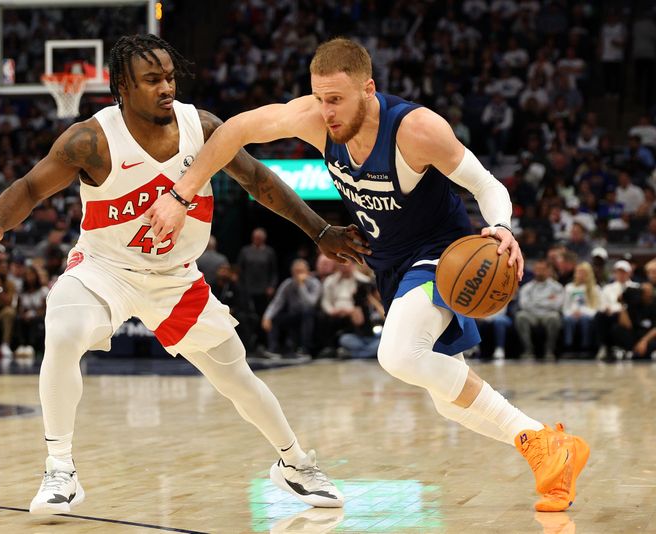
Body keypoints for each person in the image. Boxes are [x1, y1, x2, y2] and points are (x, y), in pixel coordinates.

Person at [147, 37, 589, 512]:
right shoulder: (318, 120)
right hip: (390, 267)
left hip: (442, 254)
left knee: (398, 354)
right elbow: (234, 131)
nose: (326, 111)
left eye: (335, 99)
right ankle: (554, 452)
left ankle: (542, 442)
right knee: (448, 396)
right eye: (318, 98)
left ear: (369, 89)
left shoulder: (415, 129)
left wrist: (501, 226)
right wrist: (180, 194)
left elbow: (486, 183)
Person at [0, 35, 366, 515]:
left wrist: (319, 229)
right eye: (152, 80)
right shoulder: (91, 140)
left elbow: (259, 181)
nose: (166, 88)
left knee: (236, 376)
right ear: (121, 87)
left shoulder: (201, 127)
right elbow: (30, 187)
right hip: (104, 269)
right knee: (63, 329)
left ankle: (294, 463)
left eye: (170, 78)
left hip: (175, 276)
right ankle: (60, 470)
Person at [261, 258, 321, 359]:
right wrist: (267, 317)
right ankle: (273, 349)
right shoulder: (287, 284)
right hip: (294, 315)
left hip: (310, 315)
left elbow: (310, 304)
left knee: (307, 313)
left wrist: (301, 285)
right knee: (274, 318)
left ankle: (305, 350)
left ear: (307, 271)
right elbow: (277, 302)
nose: (298, 274)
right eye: (296, 272)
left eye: (301, 271)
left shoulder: (314, 283)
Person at [515, 260, 565, 360]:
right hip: (531, 315)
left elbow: (557, 305)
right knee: (520, 316)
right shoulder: (527, 287)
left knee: (554, 317)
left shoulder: (557, 287)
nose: (539, 272)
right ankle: (528, 350)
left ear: (548, 270)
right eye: (537, 269)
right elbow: (524, 305)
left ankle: (549, 350)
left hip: (548, 315)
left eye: (542, 269)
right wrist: (547, 301)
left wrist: (536, 302)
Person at [561, 262, 602, 353]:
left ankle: (585, 347)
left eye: (583, 272)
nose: (580, 275)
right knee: (568, 319)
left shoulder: (595, 289)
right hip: (572, 313)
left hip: (588, 314)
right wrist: (572, 313)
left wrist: (583, 312)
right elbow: (565, 307)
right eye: (578, 272)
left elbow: (597, 308)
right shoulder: (569, 288)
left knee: (584, 319)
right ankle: (568, 346)